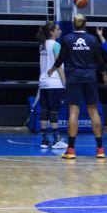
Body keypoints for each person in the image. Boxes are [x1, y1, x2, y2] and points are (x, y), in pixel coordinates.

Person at [48, 14, 107, 159]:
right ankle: (100, 149)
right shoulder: (93, 39)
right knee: (93, 111)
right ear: (85, 24)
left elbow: (61, 58)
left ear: (74, 25)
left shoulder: (67, 39)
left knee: (73, 112)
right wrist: (104, 74)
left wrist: (52, 69)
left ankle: (71, 150)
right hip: (89, 77)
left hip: (74, 78)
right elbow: (99, 60)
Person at [36, 21, 68, 149]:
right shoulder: (56, 45)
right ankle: (56, 140)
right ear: (52, 32)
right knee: (54, 111)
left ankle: (44, 140)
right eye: (58, 29)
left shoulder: (42, 45)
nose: (60, 31)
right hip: (54, 82)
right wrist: (65, 83)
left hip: (43, 82)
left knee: (44, 110)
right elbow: (58, 65)